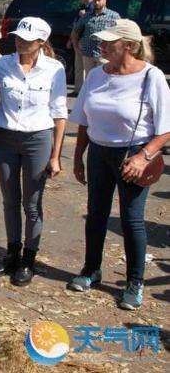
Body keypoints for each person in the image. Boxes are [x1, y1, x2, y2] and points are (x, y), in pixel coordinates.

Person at [68, 19, 170, 310]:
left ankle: (134, 283)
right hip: (99, 153)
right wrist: (78, 159)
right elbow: (85, 121)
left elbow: (165, 128)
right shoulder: (97, 75)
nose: (101, 45)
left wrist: (143, 157)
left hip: (134, 155)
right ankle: (91, 270)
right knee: (96, 214)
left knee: (131, 220)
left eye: (108, 41)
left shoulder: (152, 77)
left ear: (128, 45)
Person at [0, 17, 67, 286]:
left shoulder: (54, 69)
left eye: (26, 38)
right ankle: (12, 251)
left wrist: (56, 155)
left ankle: (29, 258)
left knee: (32, 204)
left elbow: (59, 113)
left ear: (41, 42)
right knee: (9, 200)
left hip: (38, 140)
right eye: (18, 36)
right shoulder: (2, 65)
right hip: (6, 138)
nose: (19, 41)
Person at [70, 0, 119, 94]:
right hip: (87, 53)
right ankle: (89, 101)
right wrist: (75, 46)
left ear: (105, 1)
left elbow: (117, 33)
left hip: (104, 54)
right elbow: (75, 31)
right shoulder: (87, 16)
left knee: (104, 79)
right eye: (95, 0)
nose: (96, 3)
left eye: (99, 0)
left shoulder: (113, 16)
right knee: (90, 79)